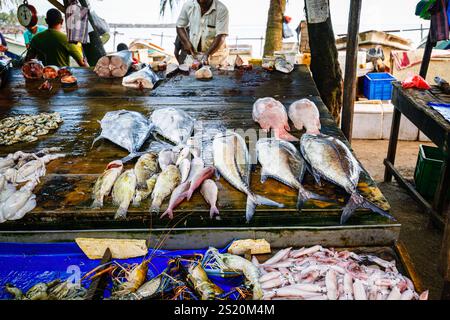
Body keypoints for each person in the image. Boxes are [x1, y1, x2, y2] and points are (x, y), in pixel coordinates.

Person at [176, 0, 229, 67]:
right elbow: (180, 26)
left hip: (216, 57)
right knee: (190, 75)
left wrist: (207, 54)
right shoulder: (188, 5)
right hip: (193, 55)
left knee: (215, 76)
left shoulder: (222, 9)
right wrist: (186, 42)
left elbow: (221, 35)